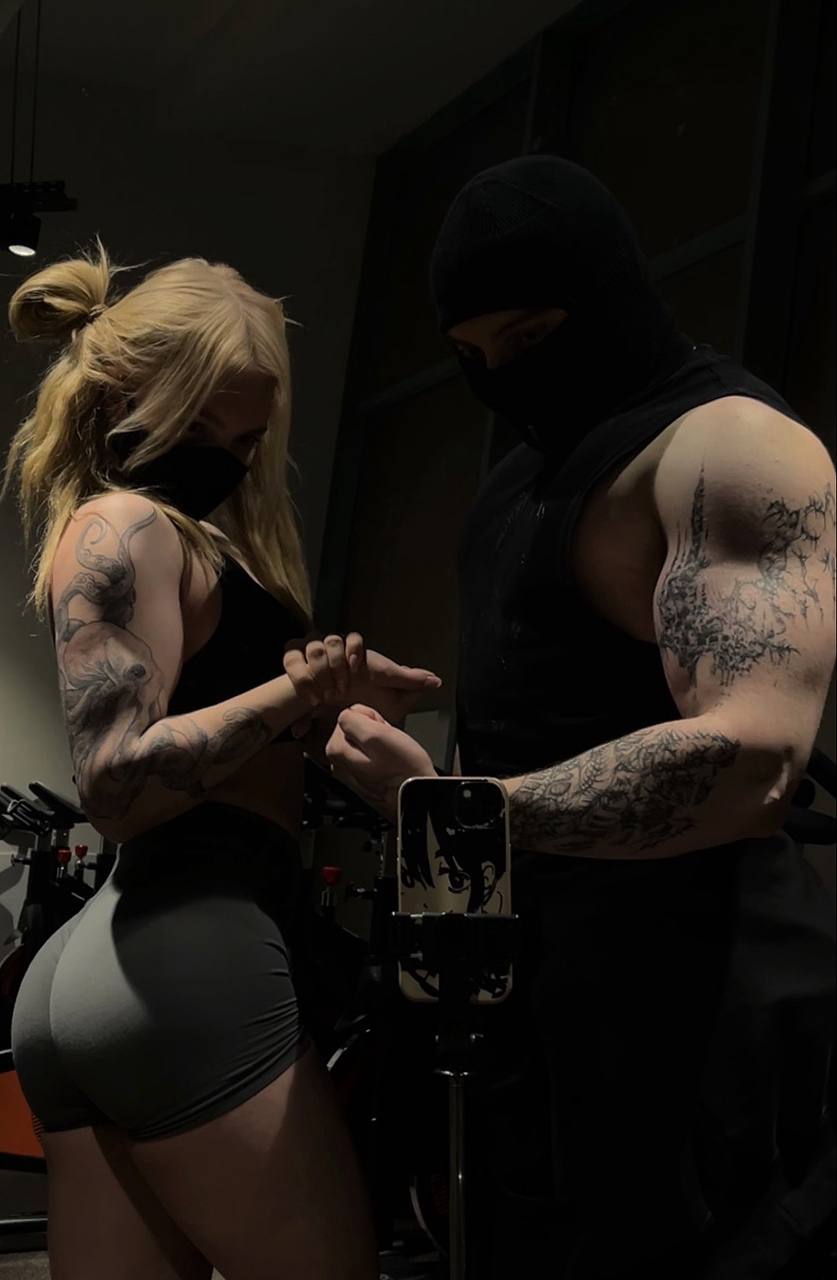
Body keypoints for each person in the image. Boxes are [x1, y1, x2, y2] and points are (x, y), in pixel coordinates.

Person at [297, 157, 837, 1278]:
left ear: (608, 292)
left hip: (702, 1015)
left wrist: (443, 813)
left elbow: (752, 761)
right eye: (472, 356)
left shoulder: (730, 446)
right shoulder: (518, 479)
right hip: (539, 1015)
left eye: (531, 337)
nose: (503, 376)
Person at [2, 244, 441, 1280]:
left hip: (119, 968)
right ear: (126, 395)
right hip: (186, 955)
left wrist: (335, 714)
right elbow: (116, 782)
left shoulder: (200, 544)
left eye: (243, 439)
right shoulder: (123, 524)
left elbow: (221, 732)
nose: (228, 459)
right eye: (202, 429)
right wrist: (300, 691)